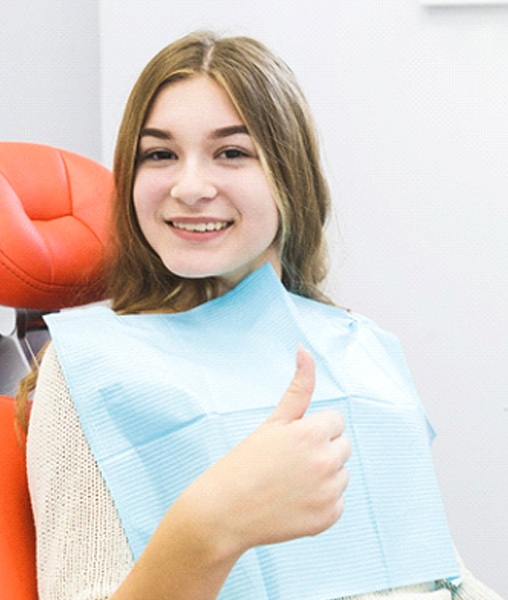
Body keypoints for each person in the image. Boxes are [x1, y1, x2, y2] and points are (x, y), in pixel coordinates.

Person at [18, 31, 502, 600]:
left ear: (287, 174)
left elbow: (435, 568)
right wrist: (212, 523)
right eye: (160, 154)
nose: (190, 186)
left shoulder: (360, 345)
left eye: (232, 152)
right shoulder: (88, 370)